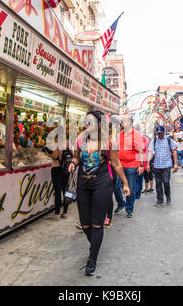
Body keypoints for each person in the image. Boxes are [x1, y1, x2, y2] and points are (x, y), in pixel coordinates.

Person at [67, 110, 130, 276]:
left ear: (99, 124)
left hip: (102, 185)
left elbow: (116, 164)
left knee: (96, 224)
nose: (86, 125)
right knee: (85, 224)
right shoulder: (79, 140)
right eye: (86, 122)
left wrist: (125, 183)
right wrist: (72, 163)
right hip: (83, 185)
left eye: (90, 122)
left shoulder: (109, 142)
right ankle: (94, 244)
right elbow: (76, 158)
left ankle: (92, 259)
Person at [113, 116, 144, 218]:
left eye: (123, 121)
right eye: (121, 122)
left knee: (130, 188)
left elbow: (140, 151)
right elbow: (116, 150)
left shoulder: (136, 135)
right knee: (116, 187)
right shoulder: (119, 135)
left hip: (132, 165)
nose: (121, 123)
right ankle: (121, 203)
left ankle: (129, 209)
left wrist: (141, 165)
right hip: (120, 165)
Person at [147, 125, 178, 206]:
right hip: (156, 166)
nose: (159, 135)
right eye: (158, 133)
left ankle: (168, 196)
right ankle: (160, 199)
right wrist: (148, 163)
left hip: (167, 165)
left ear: (164, 132)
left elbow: (174, 151)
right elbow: (150, 152)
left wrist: (175, 164)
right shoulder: (154, 141)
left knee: (166, 182)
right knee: (158, 183)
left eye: (161, 133)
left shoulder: (169, 140)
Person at [44, 139, 71, 220]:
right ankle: (65, 212)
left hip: (57, 169)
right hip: (66, 169)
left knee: (58, 191)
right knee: (66, 190)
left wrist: (47, 154)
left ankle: (57, 214)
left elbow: (55, 156)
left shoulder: (58, 143)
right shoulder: (68, 142)